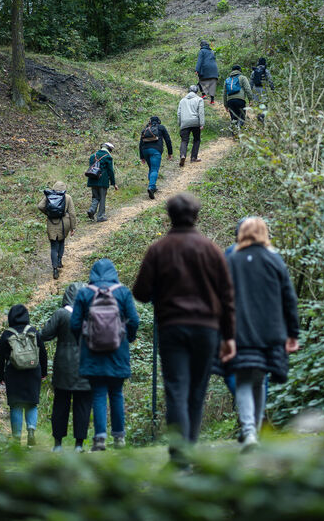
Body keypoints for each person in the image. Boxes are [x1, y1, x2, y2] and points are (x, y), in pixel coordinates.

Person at [132, 193, 236, 466]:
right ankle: (189, 450)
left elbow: (141, 292)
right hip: (206, 329)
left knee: (176, 389)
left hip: (172, 327)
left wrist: (163, 291)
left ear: (169, 216)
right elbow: (227, 297)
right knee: (197, 390)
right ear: (196, 216)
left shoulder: (159, 249)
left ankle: (179, 456)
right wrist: (229, 336)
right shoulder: (210, 249)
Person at [225, 217, 299, 450]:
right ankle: (253, 431)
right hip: (270, 331)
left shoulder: (232, 260)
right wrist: (292, 333)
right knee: (259, 380)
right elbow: (289, 298)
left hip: (241, 331)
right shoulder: (274, 259)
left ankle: (249, 432)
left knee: (245, 379)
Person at [71, 259, 140, 452]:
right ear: (113, 272)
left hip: (92, 352)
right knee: (116, 393)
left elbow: (75, 324)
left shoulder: (85, 293)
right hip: (118, 351)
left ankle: (100, 439)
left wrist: (83, 341)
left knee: (99, 393)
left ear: (92, 273)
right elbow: (134, 320)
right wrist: (128, 338)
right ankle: (119, 438)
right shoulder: (122, 292)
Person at [40, 282, 92, 453]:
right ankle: (78, 445)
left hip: (63, 366)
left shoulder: (61, 314)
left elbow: (45, 334)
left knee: (60, 404)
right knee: (82, 405)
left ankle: (58, 444)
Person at [0, 304, 47, 447]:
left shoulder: (7, 334)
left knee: (16, 404)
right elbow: (43, 353)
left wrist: (0, 376)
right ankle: (31, 431)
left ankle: (17, 439)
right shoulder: (33, 331)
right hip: (33, 372)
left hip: (14, 373)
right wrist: (43, 373)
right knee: (32, 403)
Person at [37, 180, 76, 280]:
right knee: (61, 241)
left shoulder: (48, 196)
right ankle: (59, 261)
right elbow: (72, 213)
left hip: (51, 223)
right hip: (64, 223)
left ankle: (54, 269)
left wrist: (48, 213)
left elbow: (40, 206)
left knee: (53, 246)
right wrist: (73, 227)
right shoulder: (67, 197)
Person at [138, 116, 173, 198]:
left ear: (149, 122)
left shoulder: (145, 130)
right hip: (155, 151)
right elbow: (167, 140)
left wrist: (142, 156)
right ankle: (151, 187)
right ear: (159, 122)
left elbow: (140, 143)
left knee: (151, 168)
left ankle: (152, 185)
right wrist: (170, 153)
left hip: (145, 151)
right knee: (154, 169)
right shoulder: (161, 128)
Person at [86, 142, 118, 222]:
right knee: (102, 198)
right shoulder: (108, 157)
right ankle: (100, 216)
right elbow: (111, 171)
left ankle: (92, 210)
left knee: (95, 197)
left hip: (92, 178)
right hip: (102, 180)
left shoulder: (93, 156)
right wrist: (113, 183)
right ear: (109, 149)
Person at [177, 85, 205, 166]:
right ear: (197, 92)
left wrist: (180, 123)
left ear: (188, 91)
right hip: (195, 122)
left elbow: (179, 113)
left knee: (184, 140)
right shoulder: (199, 99)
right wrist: (202, 123)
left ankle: (182, 155)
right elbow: (201, 112)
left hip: (184, 122)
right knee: (196, 139)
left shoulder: (182, 100)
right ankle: (193, 158)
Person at [223, 65, 252, 129]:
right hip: (240, 100)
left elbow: (224, 93)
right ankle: (239, 132)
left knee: (234, 118)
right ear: (240, 70)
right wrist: (251, 99)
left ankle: (234, 134)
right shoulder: (242, 78)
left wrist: (225, 105)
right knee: (241, 118)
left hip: (230, 101)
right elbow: (248, 89)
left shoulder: (227, 80)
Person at [250, 57, 274, 124]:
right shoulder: (266, 71)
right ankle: (263, 119)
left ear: (258, 63)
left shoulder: (254, 71)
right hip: (264, 89)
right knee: (264, 104)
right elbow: (270, 81)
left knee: (257, 105)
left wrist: (250, 91)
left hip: (256, 90)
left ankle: (259, 118)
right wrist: (272, 89)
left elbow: (251, 82)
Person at [195, 40, 219, 105]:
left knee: (201, 81)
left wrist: (197, 70)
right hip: (214, 70)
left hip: (205, 69)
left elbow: (199, 61)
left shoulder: (202, 51)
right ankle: (212, 100)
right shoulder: (212, 52)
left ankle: (204, 94)